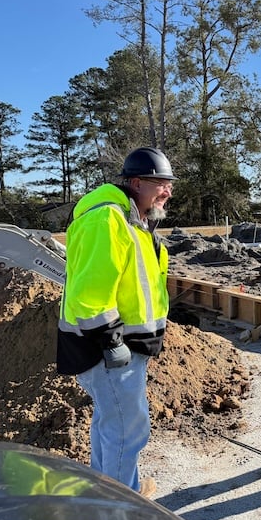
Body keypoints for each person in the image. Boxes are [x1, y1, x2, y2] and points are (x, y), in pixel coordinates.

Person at [56, 146, 176, 498]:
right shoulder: (108, 218)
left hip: (125, 345)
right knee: (127, 429)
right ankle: (122, 507)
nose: (167, 191)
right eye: (161, 184)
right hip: (108, 350)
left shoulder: (136, 221)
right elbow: (90, 292)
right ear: (136, 183)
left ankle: (105, 492)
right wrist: (111, 341)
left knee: (111, 424)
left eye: (170, 185)